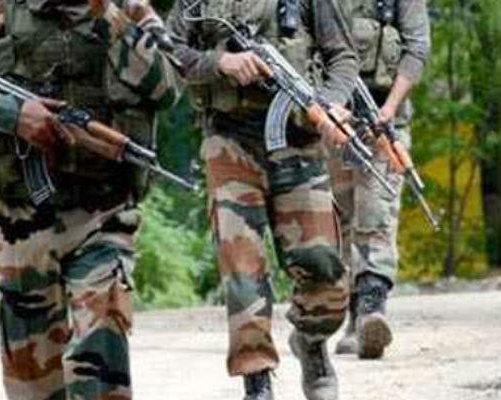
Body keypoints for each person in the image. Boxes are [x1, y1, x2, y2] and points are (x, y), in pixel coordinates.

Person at [0, 0, 181, 398]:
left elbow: (169, 88)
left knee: (100, 355)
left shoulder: (126, 9)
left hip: (103, 213)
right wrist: (13, 114)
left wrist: (106, 17)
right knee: (34, 385)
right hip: (18, 221)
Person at [167, 0, 358, 398]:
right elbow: (166, 51)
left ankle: (310, 341)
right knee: (242, 269)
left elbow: (342, 56)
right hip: (229, 140)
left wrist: (331, 104)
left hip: (299, 142)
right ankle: (256, 380)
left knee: (324, 269)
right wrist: (219, 63)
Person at [331, 0, 431, 359]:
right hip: (335, 119)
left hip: (385, 121)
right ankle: (352, 318)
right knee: (339, 218)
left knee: (376, 215)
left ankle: (371, 311)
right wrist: (329, 106)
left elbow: (417, 48)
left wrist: (388, 109)